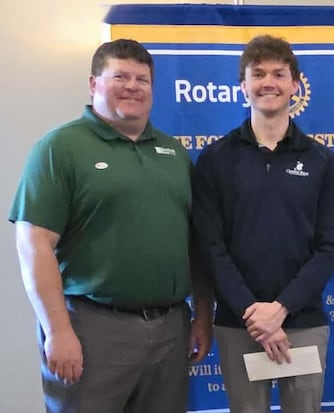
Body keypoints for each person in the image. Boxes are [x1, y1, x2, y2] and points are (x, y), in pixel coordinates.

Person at [9, 39, 213, 413]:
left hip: (171, 328)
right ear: (93, 84)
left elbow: (195, 244)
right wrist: (57, 331)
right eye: (120, 76)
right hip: (93, 329)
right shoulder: (59, 148)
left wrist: (202, 316)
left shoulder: (173, 153)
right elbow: (33, 243)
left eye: (142, 79)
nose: (132, 86)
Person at [191, 35, 334, 413]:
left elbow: (330, 248)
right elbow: (211, 246)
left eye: (279, 73)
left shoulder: (322, 160)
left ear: (295, 84)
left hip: (303, 322)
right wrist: (254, 313)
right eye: (257, 74)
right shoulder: (215, 159)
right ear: (242, 86)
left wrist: (281, 309)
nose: (268, 82)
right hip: (238, 323)